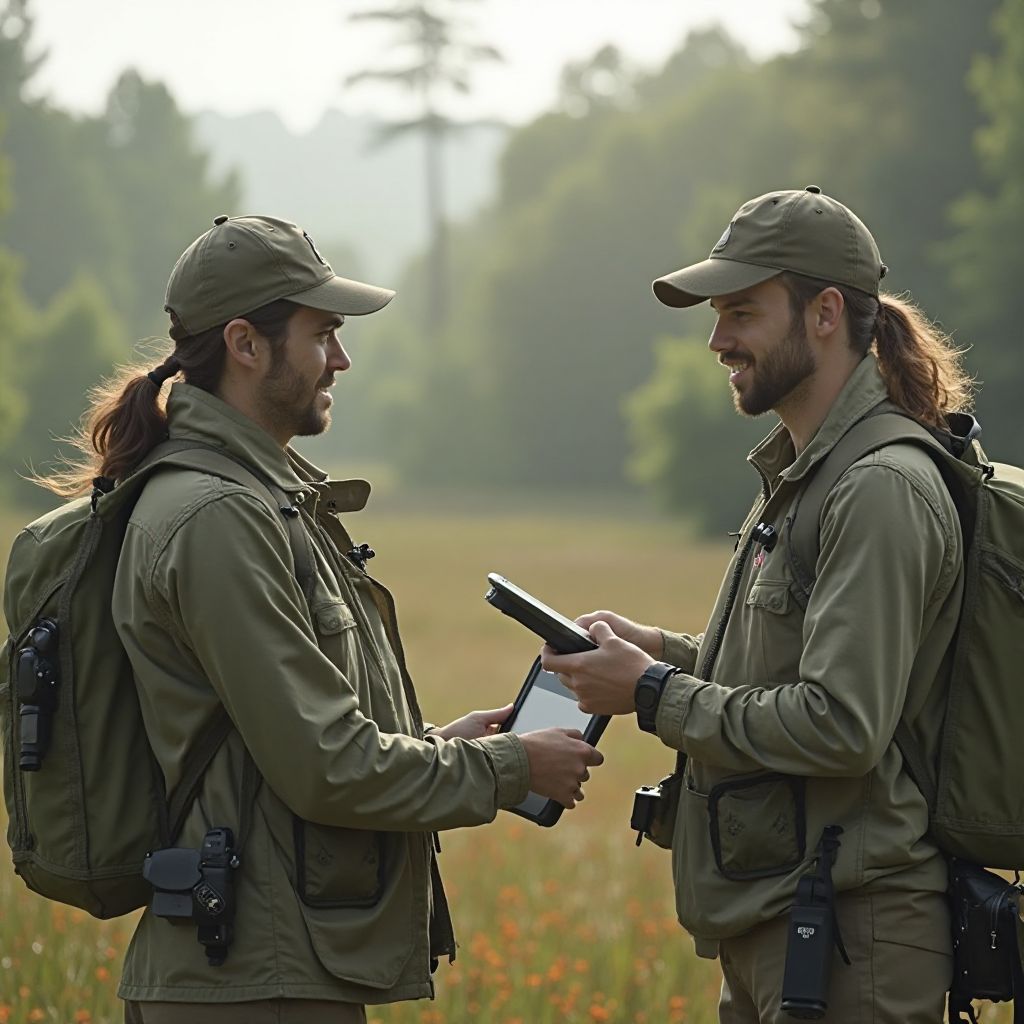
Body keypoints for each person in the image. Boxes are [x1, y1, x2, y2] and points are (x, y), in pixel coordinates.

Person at [40, 214, 603, 1023]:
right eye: (323, 334)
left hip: (265, 966)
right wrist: (511, 767)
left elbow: (277, 754)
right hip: (252, 980)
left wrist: (452, 746)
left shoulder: (251, 504)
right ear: (245, 343)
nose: (340, 358)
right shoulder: (217, 519)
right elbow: (325, 767)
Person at [543, 187, 974, 1023]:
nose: (717, 340)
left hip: (854, 940)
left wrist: (648, 693)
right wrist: (658, 652)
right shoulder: (810, 472)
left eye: (741, 312)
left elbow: (839, 724)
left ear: (823, 312)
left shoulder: (879, 486)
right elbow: (782, 667)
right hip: (789, 923)